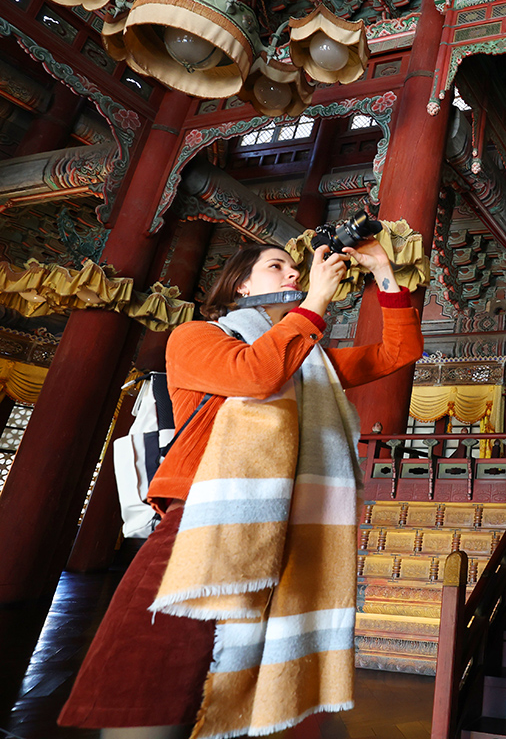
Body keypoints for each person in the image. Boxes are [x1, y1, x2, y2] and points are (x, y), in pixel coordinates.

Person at [59, 240, 423, 739]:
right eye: (277, 266)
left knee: (265, 679)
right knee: (155, 667)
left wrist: (382, 269)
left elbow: (399, 351)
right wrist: (316, 300)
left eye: (296, 269)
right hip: (203, 514)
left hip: (287, 521)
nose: (293, 274)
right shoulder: (196, 336)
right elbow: (255, 374)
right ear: (242, 285)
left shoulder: (309, 361)